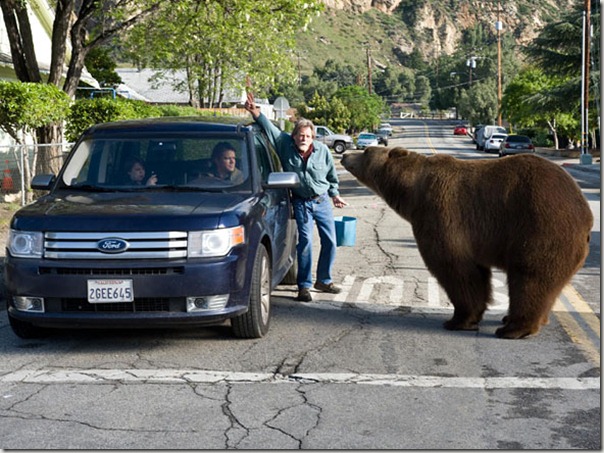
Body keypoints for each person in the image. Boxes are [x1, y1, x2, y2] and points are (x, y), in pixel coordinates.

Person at [244, 91, 348, 302]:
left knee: (330, 241)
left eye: (308, 136)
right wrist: (256, 113)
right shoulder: (284, 144)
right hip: (301, 202)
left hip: (322, 200)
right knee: (306, 242)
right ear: (294, 136)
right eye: (301, 135)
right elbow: (270, 129)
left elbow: (331, 174)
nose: (304, 139)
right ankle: (304, 286)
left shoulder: (322, 151)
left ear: (313, 138)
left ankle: (324, 280)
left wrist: (335, 194)